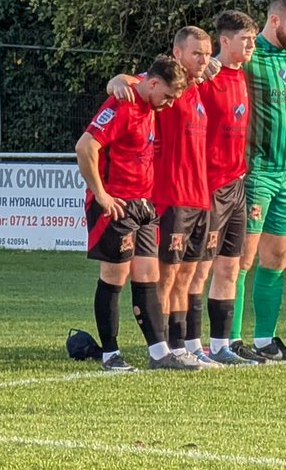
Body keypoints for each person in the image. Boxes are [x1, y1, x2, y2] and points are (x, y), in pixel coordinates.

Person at [76, 55, 200, 371]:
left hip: (143, 203)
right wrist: (101, 195)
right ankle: (110, 355)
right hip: (116, 204)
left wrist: (120, 76)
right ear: (154, 84)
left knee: (148, 275)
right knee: (114, 277)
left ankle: (159, 353)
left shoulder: (145, 91)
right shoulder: (123, 105)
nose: (170, 104)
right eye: (169, 97)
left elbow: (136, 75)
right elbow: (85, 147)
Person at [241, 0, 286, 361]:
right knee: (243, 257)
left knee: (279, 256)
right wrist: (123, 80)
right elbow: (198, 65)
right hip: (257, 171)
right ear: (274, 20)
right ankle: (229, 340)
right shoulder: (249, 57)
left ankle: (264, 339)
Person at [190, 10, 260, 365]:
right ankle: (191, 344)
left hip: (237, 184)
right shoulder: (204, 77)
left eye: (253, 39)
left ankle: (221, 345)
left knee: (230, 267)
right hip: (209, 187)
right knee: (200, 268)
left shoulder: (241, 75)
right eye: (244, 40)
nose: (251, 45)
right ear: (225, 41)